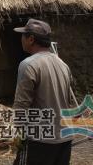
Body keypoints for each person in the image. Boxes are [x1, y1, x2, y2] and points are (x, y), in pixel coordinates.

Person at [12, 19, 73, 165]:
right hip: (64, 137)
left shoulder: (29, 65)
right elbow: (69, 100)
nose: (21, 39)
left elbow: (22, 104)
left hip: (40, 140)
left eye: (23, 35)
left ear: (31, 39)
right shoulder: (63, 65)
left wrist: (18, 133)